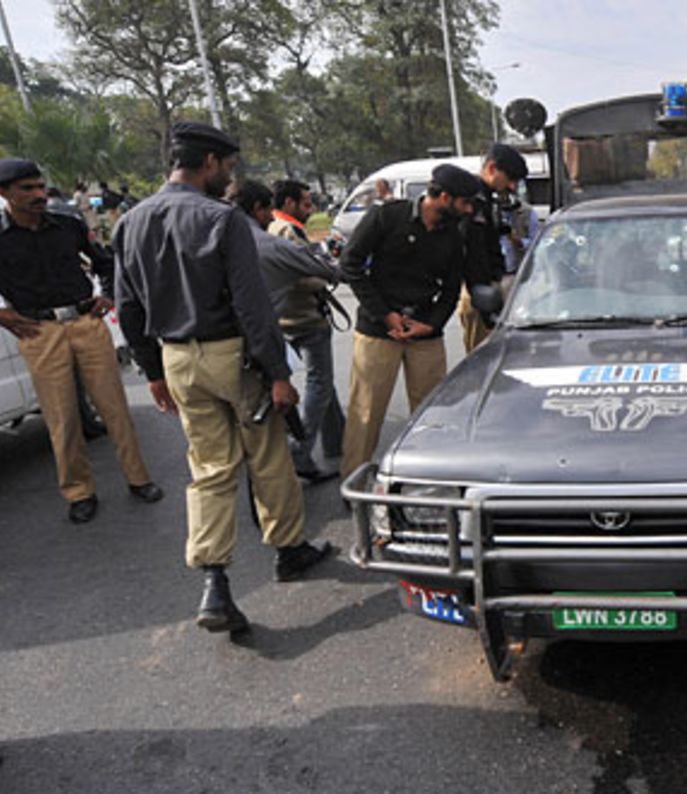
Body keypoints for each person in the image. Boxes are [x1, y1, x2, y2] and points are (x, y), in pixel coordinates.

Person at [113, 122, 332, 634]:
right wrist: (278, 374)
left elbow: (127, 307)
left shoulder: (132, 221)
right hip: (234, 357)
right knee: (268, 453)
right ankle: (289, 549)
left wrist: (152, 372)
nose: (229, 177)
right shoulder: (223, 219)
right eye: (227, 167)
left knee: (209, 468)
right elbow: (253, 307)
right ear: (209, 163)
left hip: (176, 359)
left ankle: (214, 582)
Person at [0, 158, 163, 523]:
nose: (39, 195)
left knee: (114, 406)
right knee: (62, 417)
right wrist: (3, 314)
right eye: (27, 189)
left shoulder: (68, 225)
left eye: (40, 187)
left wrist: (107, 293)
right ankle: (79, 492)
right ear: (4, 193)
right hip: (39, 332)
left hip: (85, 322)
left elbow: (107, 262)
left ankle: (139, 479)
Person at [338, 163, 481, 480]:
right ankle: (354, 480)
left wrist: (431, 324)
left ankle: (428, 481)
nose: (469, 209)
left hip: (425, 332)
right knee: (365, 412)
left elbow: (451, 287)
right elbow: (350, 263)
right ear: (443, 197)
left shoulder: (454, 236)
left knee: (432, 413)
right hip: (378, 330)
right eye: (464, 203)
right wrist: (384, 314)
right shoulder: (387, 216)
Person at [265, 179, 344, 481]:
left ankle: (337, 439)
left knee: (323, 382)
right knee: (319, 383)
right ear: (288, 204)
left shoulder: (287, 227)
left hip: (291, 317)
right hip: (304, 318)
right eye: (306, 203)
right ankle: (300, 449)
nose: (312, 209)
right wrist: (327, 277)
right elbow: (303, 273)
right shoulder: (286, 231)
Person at [458, 143, 528, 352]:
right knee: (481, 355)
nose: (512, 187)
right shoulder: (470, 200)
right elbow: (471, 253)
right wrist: (483, 299)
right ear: (491, 169)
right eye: (510, 179)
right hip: (477, 290)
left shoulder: (489, 200)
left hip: (490, 283)